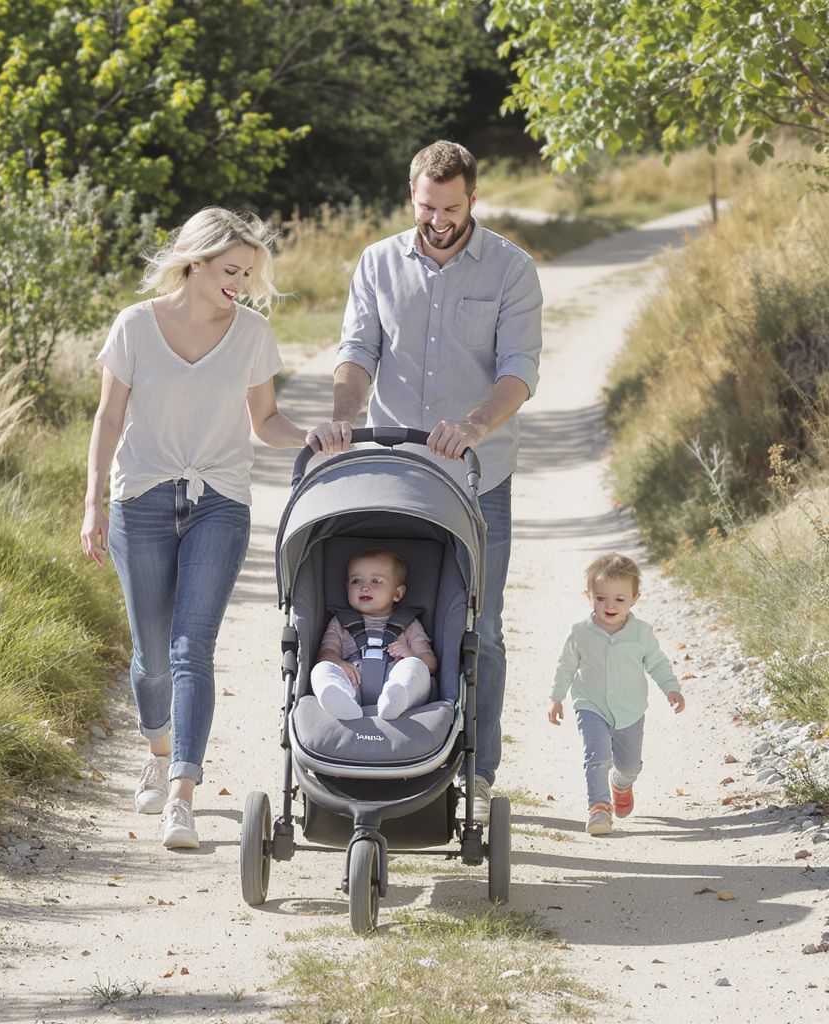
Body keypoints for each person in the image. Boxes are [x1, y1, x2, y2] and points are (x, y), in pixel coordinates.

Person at [310, 140, 543, 823]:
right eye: (425, 207)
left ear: (473, 198)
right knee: (378, 609)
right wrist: (342, 419)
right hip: (395, 471)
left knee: (483, 625)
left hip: (477, 475)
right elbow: (356, 352)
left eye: (449, 207)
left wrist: (474, 424)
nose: (437, 220)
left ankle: (478, 768)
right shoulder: (378, 262)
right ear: (411, 197)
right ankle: (373, 747)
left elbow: (519, 372)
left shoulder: (510, 268)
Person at [81, 207, 324, 851]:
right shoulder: (136, 326)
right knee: (151, 652)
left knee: (193, 648)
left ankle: (182, 797)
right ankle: (159, 752)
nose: (239, 283)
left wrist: (311, 438)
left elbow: (264, 421)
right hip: (142, 497)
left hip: (221, 499)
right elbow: (108, 419)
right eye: (229, 270)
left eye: (247, 273)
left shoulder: (250, 334)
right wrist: (92, 504)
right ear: (195, 262)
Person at [548, 552, 686, 836]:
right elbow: (566, 666)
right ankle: (599, 808)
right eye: (601, 598)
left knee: (629, 765)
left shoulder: (641, 633)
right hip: (591, 705)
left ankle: (622, 784)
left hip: (630, 710)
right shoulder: (580, 633)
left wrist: (671, 688)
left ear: (635, 598)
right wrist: (557, 697)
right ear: (588, 595)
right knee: (596, 756)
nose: (610, 606)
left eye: (620, 599)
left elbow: (657, 663)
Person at [311, 548, 438, 721]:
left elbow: (430, 662)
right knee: (322, 669)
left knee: (416, 669)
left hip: (397, 681)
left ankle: (397, 698)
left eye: (376, 581)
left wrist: (411, 656)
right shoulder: (340, 622)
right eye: (356, 581)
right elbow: (326, 654)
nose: (364, 587)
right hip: (353, 683)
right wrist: (338, 663)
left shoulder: (409, 624)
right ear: (347, 588)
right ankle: (338, 699)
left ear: (398, 593)